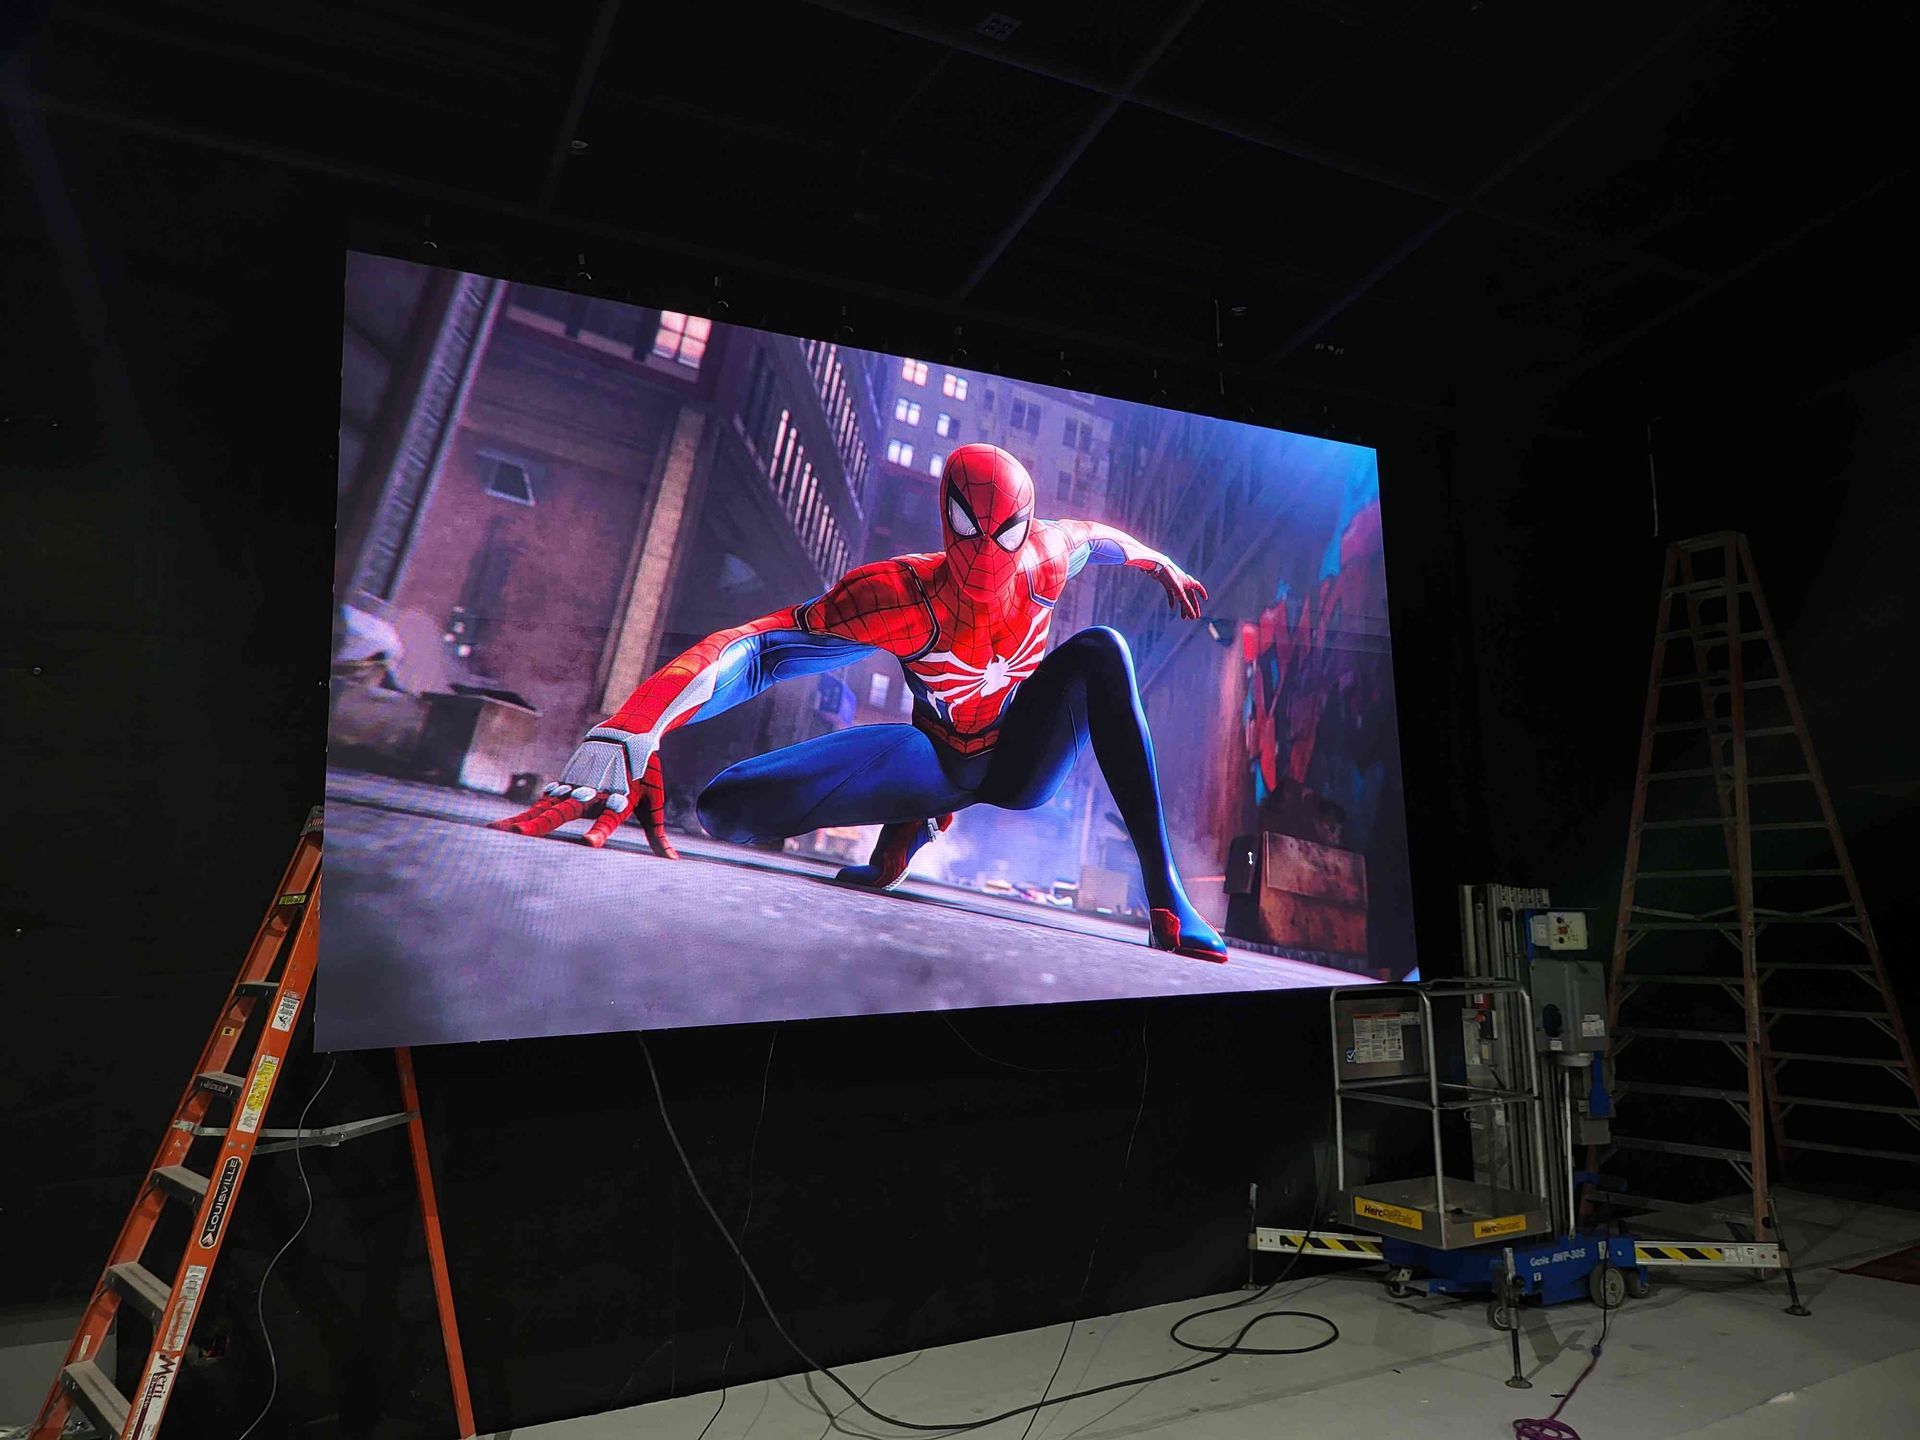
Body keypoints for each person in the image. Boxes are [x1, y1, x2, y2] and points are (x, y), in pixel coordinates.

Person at [490, 443, 1228, 961]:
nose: (986, 553)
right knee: (727, 808)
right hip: (933, 761)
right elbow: (762, 646)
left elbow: (1105, 540)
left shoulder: (1047, 558)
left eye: (1004, 531)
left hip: (1019, 762)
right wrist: (636, 726)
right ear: (945, 519)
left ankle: (1168, 898)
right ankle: (911, 821)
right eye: (969, 528)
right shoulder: (899, 596)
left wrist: (1165, 565)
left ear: (1027, 528)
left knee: (1103, 650)